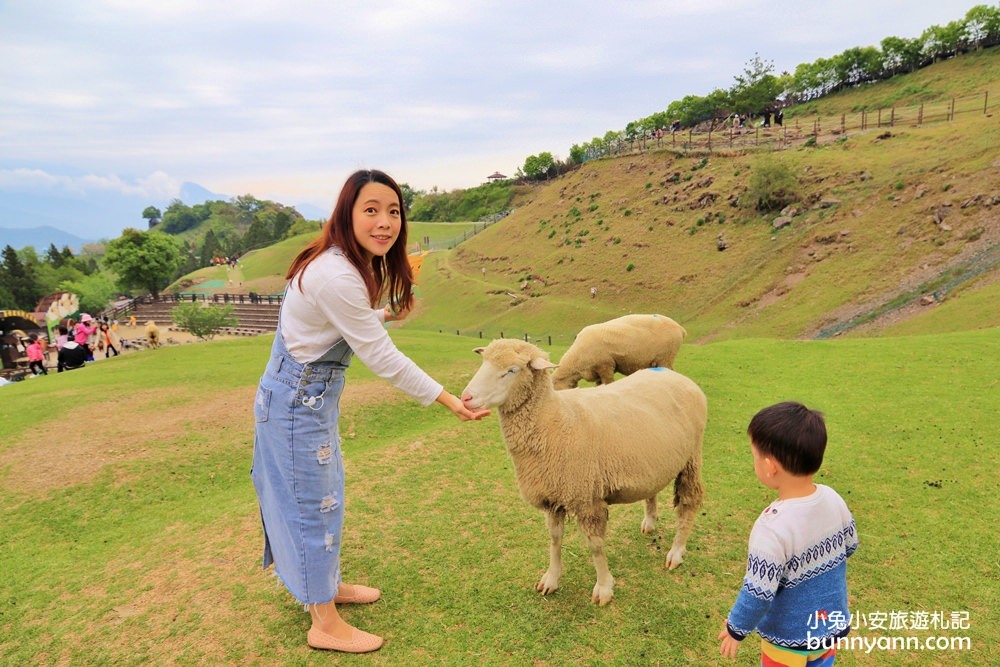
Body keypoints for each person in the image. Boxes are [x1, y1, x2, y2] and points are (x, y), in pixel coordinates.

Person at [251, 169, 490, 654]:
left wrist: (384, 313)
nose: (385, 223)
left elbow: (340, 323)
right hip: (296, 406)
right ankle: (323, 621)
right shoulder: (337, 272)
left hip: (307, 404)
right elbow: (381, 357)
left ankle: (326, 587)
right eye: (372, 210)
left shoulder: (340, 265)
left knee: (325, 495)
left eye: (394, 211)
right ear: (348, 213)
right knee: (308, 504)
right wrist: (447, 400)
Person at [719, 402, 857, 666]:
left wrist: (737, 629)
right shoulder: (832, 498)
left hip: (787, 640)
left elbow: (758, 591)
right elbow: (850, 545)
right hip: (828, 629)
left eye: (754, 455)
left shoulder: (772, 526)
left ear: (770, 467)